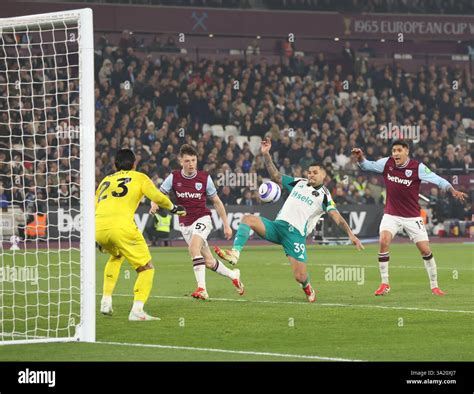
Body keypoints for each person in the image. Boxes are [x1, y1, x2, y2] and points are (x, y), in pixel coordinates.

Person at [214, 138, 363, 302]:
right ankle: (235, 254)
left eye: (315, 172)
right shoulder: (299, 182)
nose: (310, 175)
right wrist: (266, 154)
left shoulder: (325, 196)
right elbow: (276, 175)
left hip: (295, 235)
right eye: (309, 172)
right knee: (247, 219)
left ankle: (307, 286)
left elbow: (336, 217)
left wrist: (350, 234)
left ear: (323, 175)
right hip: (277, 227)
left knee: (299, 276)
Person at [352, 140, 467, 296]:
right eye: (394, 150)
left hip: (412, 217)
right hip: (391, 214)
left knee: (425, 250)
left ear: (406, 151)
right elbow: (366, 166)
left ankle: (434, 286)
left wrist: (452, 190)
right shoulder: (386, 163)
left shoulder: (417, 167)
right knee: (384, 241)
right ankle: (384, 283)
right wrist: (360, 158)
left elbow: (438, 179)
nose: (396, 153)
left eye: (399, 150)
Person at [96, 149, 186, 321]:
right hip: (122, 226)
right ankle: (137, 310)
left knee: (116, 256)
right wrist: (174, 208)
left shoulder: (105, 181)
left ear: (115, 165)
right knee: (146, 268)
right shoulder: (139, 177)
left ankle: (106, 300)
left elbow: (94, 205)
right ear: (134, 164)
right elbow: (157, 197)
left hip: (99, 226)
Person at [150, 144, 244, 301]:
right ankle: (233, 275)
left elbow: (217, 201)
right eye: (187, 161)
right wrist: (154, 203)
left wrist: (226, 225)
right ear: (181, 161)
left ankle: (202, 289)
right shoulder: (174, 177)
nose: (191, 164)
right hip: (185, 224)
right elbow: (159, 194)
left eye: (193, 160)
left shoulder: (204, 178)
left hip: (202, 219)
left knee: (194, 249)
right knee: (208, 261)